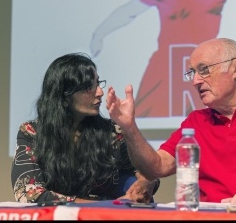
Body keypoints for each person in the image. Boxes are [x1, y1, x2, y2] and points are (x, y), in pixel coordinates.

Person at [105, 38, 236, 206]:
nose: (196, 81)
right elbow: (156, 167)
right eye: (192, 73)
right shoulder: (196, 122)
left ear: (235, 68)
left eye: (204, 69)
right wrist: (129, 127)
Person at [11, 52, 160, 204]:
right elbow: (28, 193)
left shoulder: (112, 132)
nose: (100, 92)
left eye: (97, 83)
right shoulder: (32, 132)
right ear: (63, 96)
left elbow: (144, 171)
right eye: (89, 87)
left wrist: (147, 181)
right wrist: (103, 206)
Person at [90, 0, 227, 117]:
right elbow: (129, 11)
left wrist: (99, 35)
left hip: (202, 66)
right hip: (167, 66)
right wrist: (99, 34)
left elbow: (129, 11)